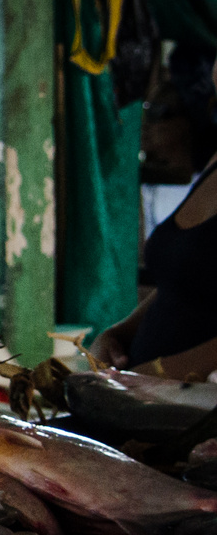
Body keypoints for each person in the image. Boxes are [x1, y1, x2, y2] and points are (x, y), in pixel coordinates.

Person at [92, 149, 217, 380]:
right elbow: (187, 283)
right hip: (147, 398)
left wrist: (162, 372)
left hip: (193, 406)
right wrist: (118, 334)